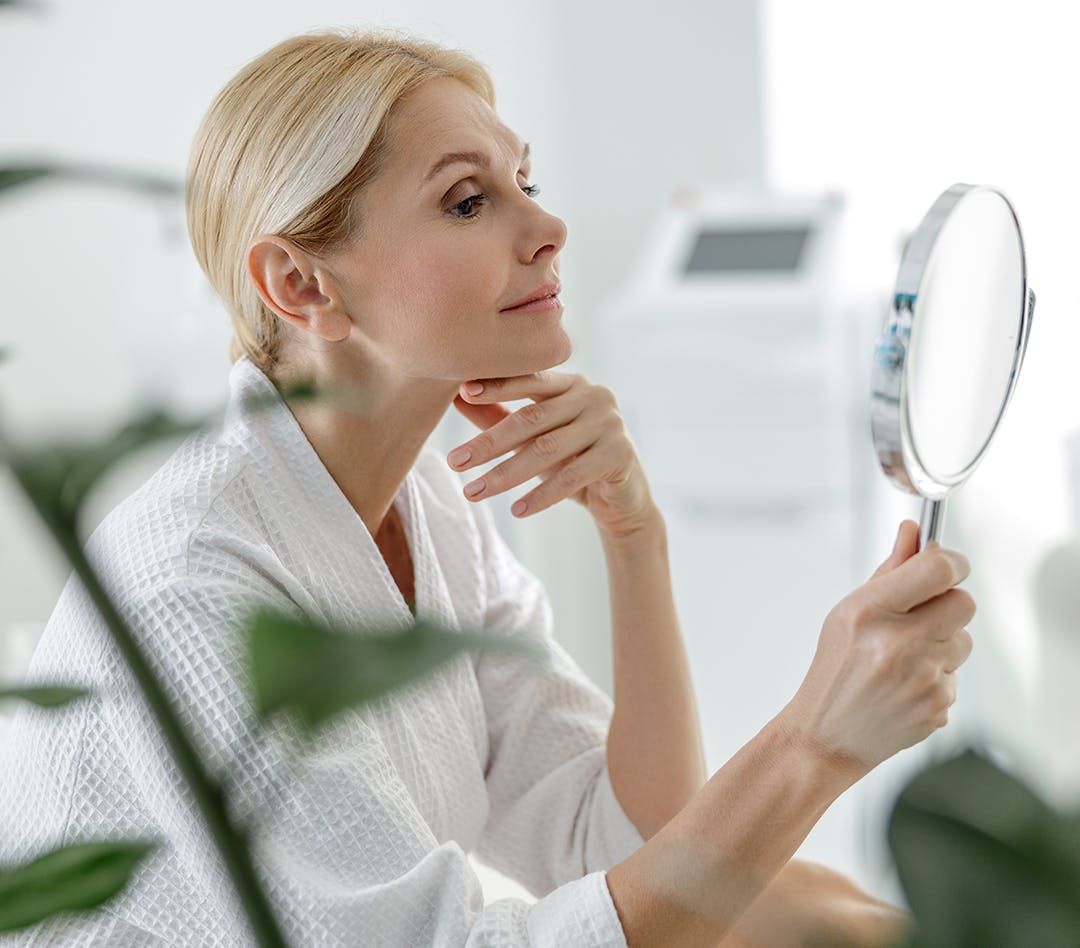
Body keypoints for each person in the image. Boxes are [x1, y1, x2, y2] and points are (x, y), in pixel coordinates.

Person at [0, 27, 975, 947]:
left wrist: (635, 538)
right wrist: (815, 741)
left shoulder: (430, 517)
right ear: (301, 286)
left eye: (526, 181)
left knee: (811, 908)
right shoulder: (196, 588)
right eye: (469, 201)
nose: (547, 226)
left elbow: (633, 847)